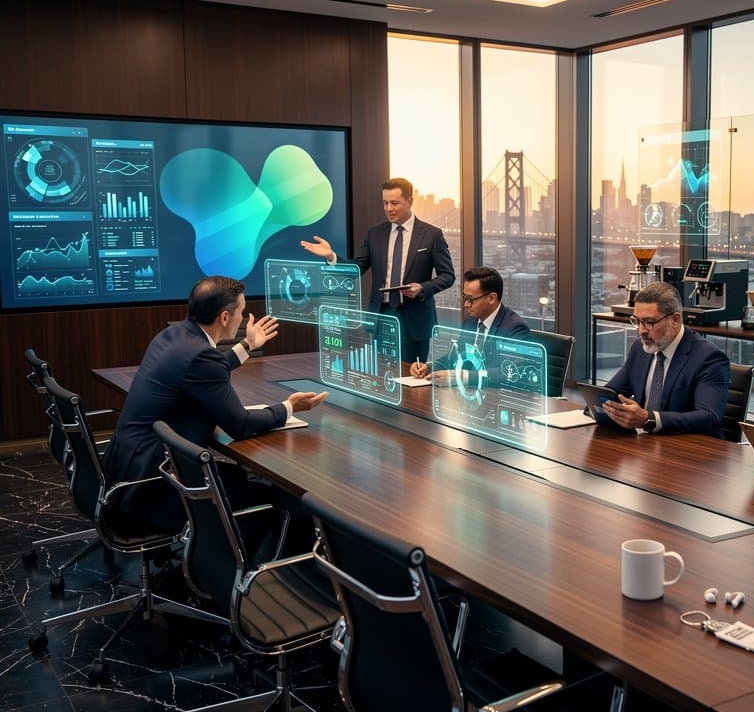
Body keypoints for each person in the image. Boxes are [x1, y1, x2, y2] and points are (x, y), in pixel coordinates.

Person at [104, 276, 328, 533]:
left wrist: (247, 346)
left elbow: (204, 371)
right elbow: (241, 425)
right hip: (154, 486)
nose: (242, 319)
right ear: (224, 317)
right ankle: (251, 561)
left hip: (126, 470)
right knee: (275, 500)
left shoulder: (173, 336)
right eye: (241, 313)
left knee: (237, 478)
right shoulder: (201, 356)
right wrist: (288, 407)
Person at [300, 177, 455, 363]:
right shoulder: (375, 234)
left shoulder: (432, 235)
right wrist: (331, 256)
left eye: (395, 203)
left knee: (412, 378)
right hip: (382, 314)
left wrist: (422, 288)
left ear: (410, 201)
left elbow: (448, 276)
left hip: (415, 318)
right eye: (385, 203)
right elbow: (357, 267)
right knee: (384, 378)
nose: (389, 208)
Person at [593, 281, 731, 436]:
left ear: (675, 320)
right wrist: (597, 404)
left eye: (649, 323)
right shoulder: (639, 349)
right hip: (644, 446)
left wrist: (649, 418)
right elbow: (609, 394)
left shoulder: (709, 358)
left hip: (686, 450)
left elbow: (709, 418)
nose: (641, 331)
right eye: (637, 321)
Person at [409, 266, 530, 383]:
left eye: (471, 299)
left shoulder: (515, 328)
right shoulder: (470, 322)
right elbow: (456, 357)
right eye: (464, 298)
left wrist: (464, 377)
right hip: (469, 395)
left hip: (497, 398)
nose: (466, 304)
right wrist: (429, 367)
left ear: (492, 298)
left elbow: (511, 372)